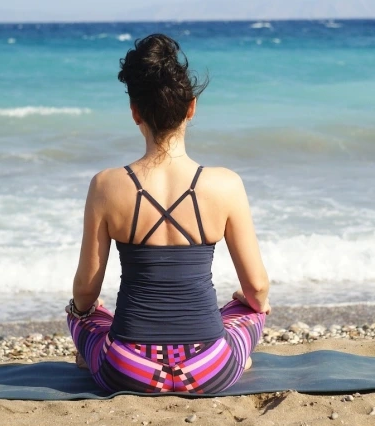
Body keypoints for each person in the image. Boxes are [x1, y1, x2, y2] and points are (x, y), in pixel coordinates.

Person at [66, 33, 271, 394]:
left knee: (80, 316)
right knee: (250, 311)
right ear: (191, 107)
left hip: (128, 368)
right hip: (208, 366)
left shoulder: (106, 185)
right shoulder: (226, 184)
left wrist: (85, 311)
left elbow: (85, 293)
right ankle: (239, 355)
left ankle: (92, 354)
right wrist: (249, 303)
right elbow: (257, 288)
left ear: (135, 113)